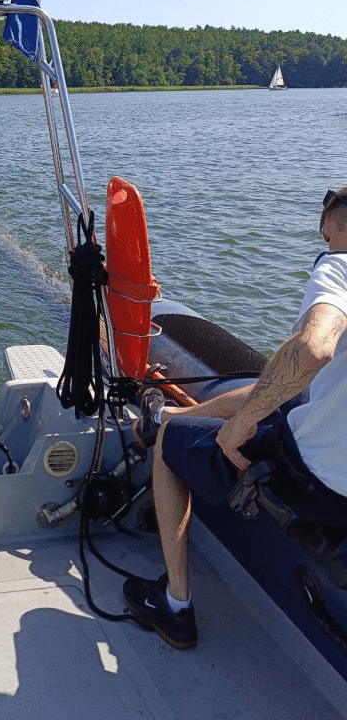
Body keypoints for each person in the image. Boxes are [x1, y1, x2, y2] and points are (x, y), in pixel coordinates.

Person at [123, 187, 347, 649]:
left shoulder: (340, 265)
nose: (324, 244)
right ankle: (166, 414)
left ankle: (175, 604)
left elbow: (312, 349)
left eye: (326, 235)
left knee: (171, 445)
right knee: (284, 394)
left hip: (323, 484)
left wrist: (241, 427)